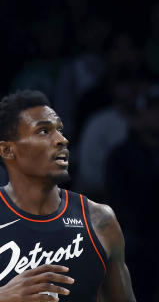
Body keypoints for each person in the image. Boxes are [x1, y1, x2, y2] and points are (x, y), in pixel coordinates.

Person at [0, 89, 136, 301]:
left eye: (60, 130)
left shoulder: (100, 220)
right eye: (44, 131)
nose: (61, 139)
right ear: (8, 150)